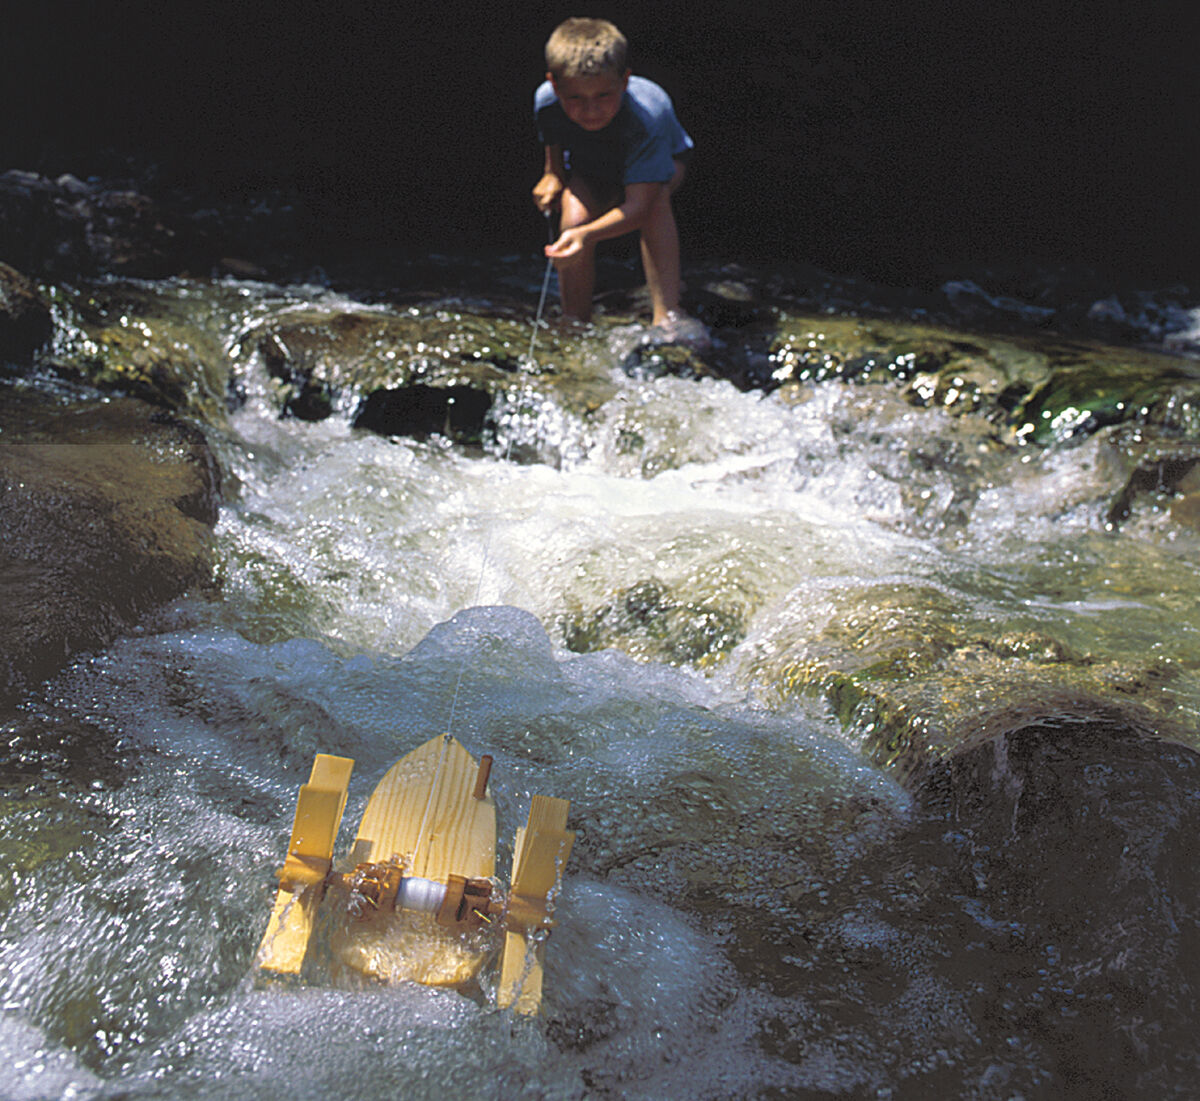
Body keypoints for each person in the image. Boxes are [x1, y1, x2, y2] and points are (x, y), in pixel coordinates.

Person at [531, 17, 705, 343]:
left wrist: (586, 236)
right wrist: (552, 174)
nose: (591, 110)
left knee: (656, 202)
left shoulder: (647, 116)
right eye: (576, 98)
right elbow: (553, 141)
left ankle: (667, 313)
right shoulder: (546, 101)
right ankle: (575, 319)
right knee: (573, 218)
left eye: (603, 95)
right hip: (593, 169)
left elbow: (639, 207)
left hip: (658, 169)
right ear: (554, 85)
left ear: (625, 81)